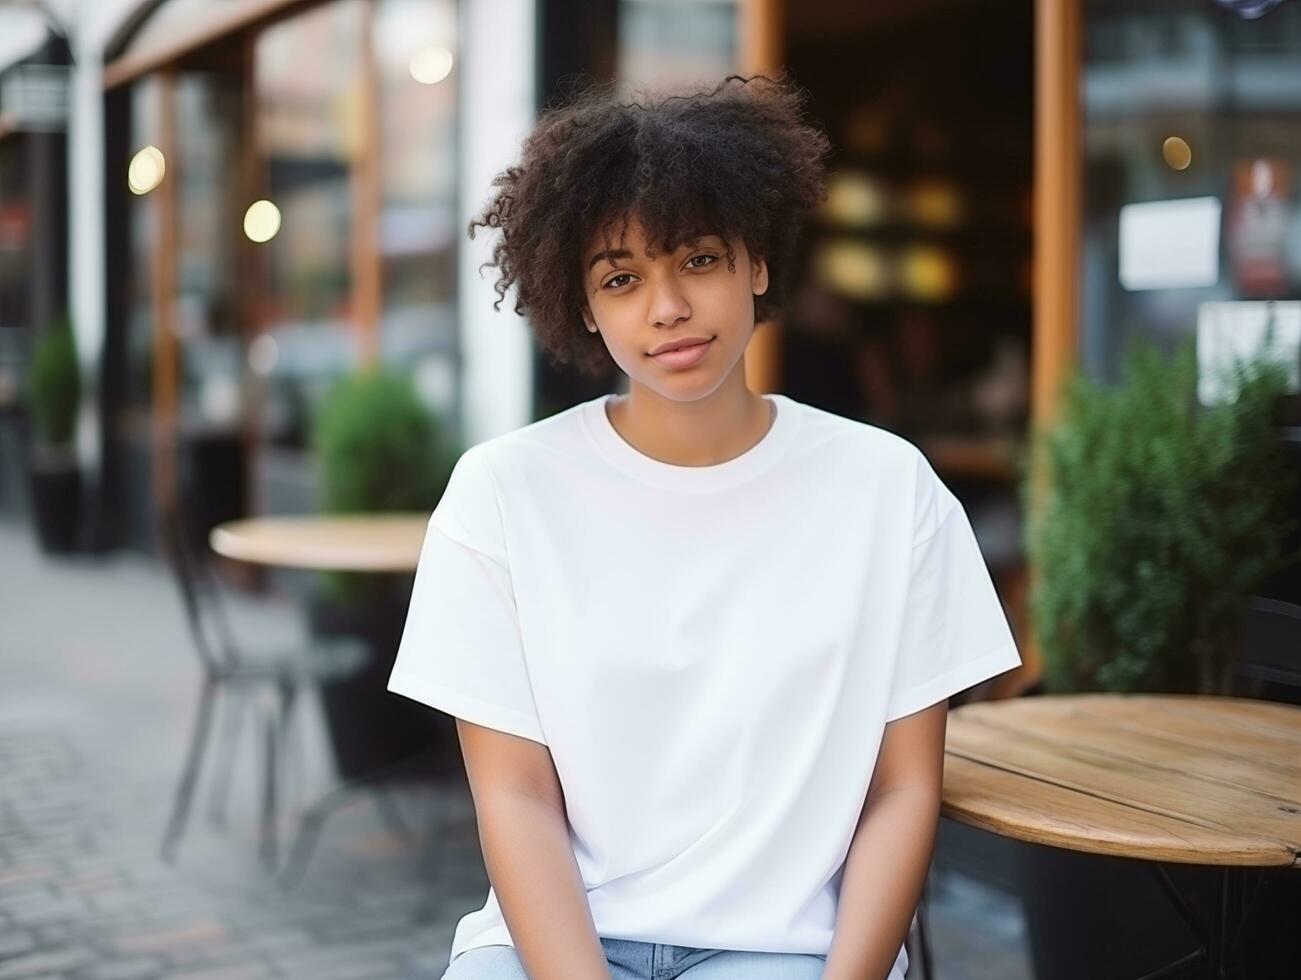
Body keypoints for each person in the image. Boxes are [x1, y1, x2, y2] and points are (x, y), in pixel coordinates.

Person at [387, 72, 1022, 980]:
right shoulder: (502, 493)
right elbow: (514, 795)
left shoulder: (890, 491)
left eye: (697, 260)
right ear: (584, 304)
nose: (666, 308)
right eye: (621, 277)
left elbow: (902, 787)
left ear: (755, 263)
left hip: (781, 950)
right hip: (555, 940)